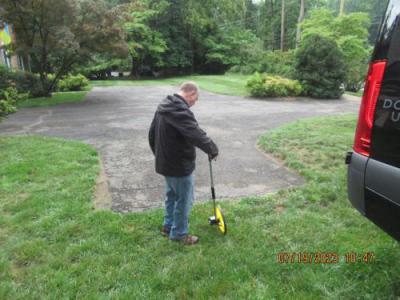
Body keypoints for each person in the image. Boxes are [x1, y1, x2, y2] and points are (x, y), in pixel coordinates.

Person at [148, 82, 218, 245]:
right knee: (184, 200)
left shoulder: (164, 106)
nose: (195, 103)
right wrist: (212, 148)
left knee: (172, 196)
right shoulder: (179, 109)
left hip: (165, 162)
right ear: (191, 94)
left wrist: (159, 155)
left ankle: (168, 226)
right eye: (196, 99)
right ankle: (179, 234)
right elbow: (194, 132)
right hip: (178, 165)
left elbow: (151, 134)